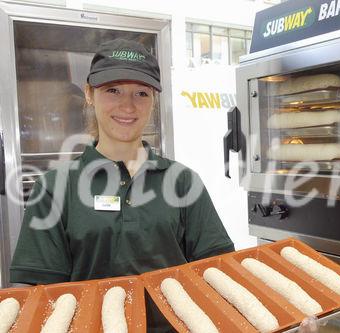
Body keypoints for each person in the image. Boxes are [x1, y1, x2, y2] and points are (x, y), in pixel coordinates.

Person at [10, 38, 235, 285]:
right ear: (89, 94)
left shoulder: (183, 182)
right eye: (113, 90)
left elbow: (219, 271)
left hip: (174, 325)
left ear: (153, 102)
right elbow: (33, 288)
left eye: (141, 93)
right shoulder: (53, 188)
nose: (128, 106)